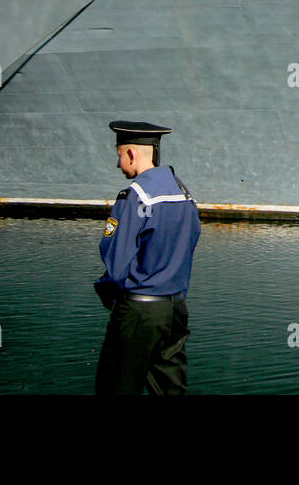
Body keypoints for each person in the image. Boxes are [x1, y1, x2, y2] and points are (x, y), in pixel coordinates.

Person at [95, 120, 201, 395]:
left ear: (130, 153)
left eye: (119, 156)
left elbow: (116, 264)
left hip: (139, 310)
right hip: (176, 307)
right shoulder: (184, 194)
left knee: (116, 387)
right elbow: (188, 248)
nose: (119, 165)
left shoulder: (134, 197)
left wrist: (108, 293)